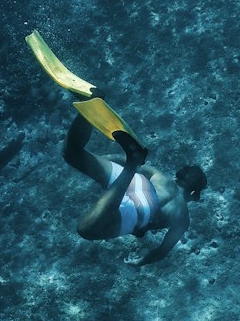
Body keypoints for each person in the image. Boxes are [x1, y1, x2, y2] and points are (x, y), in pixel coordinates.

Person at [63, 108, 207, 265]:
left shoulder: (161, 176)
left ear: (178, 176)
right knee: (86, 230)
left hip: (137, 181)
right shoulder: (183, 218)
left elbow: (119, 158)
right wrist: (139, 262)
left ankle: (87, 109)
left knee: (72, 152)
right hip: (142, 209)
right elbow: (161, 251)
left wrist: (98, 161)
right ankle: (132, 164)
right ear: (194, 194)